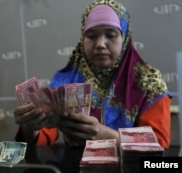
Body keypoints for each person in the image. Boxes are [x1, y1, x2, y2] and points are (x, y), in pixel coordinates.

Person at [13, 0, 172, 148]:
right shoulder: (66, 80)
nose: (100, 44)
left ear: (124, 38)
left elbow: (159, 143)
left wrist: (111, 137)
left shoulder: (148, 83)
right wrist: (30, 128)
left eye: (110, 35)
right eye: (91, 35)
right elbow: (45, 135)